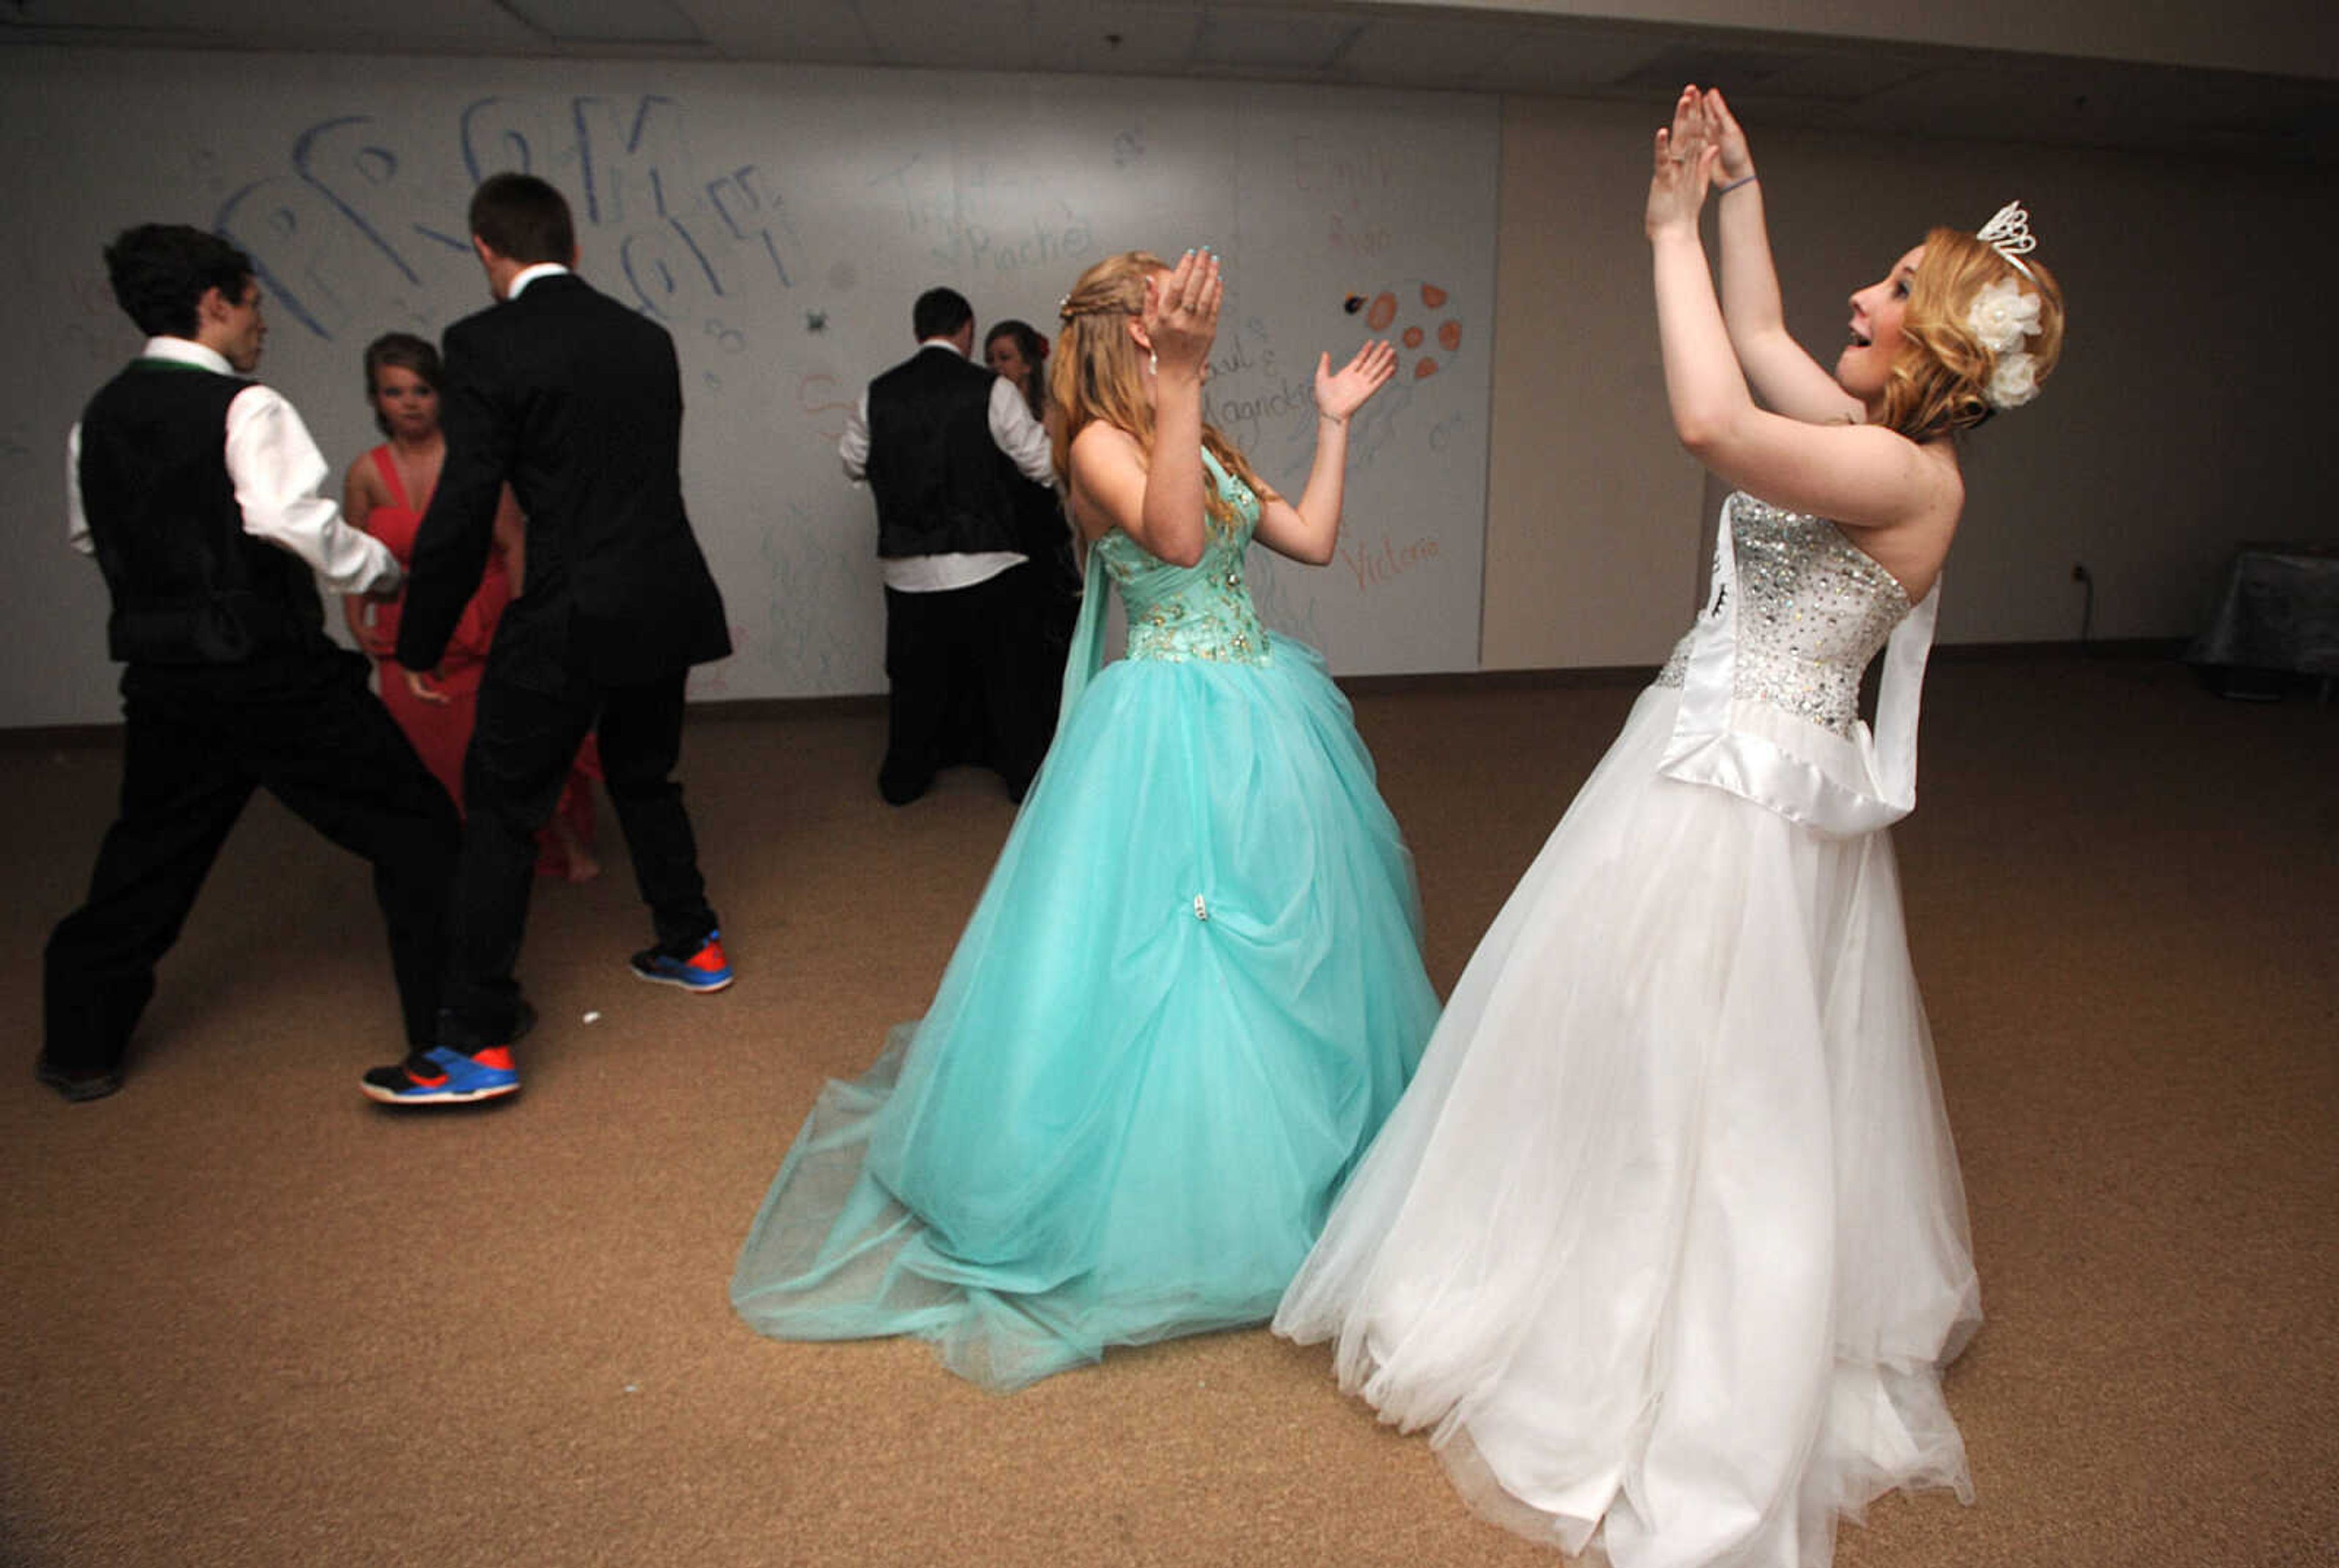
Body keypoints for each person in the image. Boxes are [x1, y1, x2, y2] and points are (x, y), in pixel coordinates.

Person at [1274, 88, 2067, 1568]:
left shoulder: (1905, 476)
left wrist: (1661, 227)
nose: (1860, 292)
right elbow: (1763, 343)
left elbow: (1712, 410)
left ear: (1939, 345)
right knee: (1631, 1037)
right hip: (1697, 755)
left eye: (1891, 286)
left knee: (1716, 1072)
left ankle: (1662, 1333)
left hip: (1747, 807)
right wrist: (1735, 192)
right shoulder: (1864, 422)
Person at [732, 249, 1439, 1390]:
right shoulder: (1099, 448)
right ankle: (1193, 1197)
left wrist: (1333, 425)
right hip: (1166, 717)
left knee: (1294, 933)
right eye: (1172, 303)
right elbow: (1170, 543)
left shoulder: (1188, 431)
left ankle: (1312, 1162)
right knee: (1173, 945)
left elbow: (1307, 540)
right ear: (1128, 330)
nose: (1197, 310)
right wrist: (1186, 384)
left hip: (1262, 702)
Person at [40, 225, 460, 1102]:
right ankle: (455, 1029)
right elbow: (289, 520)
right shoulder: (247, 407)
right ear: (215, 303)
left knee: (147, 856)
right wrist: (382, 570)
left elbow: (92, 538)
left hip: (164, 678)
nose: (261, 324)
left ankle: (81, 1045)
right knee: (417, 826)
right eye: (254, 304)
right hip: (272, 675)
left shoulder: (99, 418)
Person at [361, 174, 735, 1108]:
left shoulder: (484, 343)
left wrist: (419, 639)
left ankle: (475, 1043)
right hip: (665, 595)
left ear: (487, 250)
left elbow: (464, 504)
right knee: (645, 773)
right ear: (573, 245)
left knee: (501, 811)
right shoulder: (646, 339)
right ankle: (693, 941)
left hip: (571, 608)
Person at [342, 332, 602, 882]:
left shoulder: (475, 463)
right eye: (395, 391)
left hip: (483, 628)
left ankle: (566, 844)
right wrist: (353, 618)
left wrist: (521, 627)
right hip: (403, 632)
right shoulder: (365, 472)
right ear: (375, 400)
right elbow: (353, 553)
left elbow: (514, 547)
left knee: (506, 747)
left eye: (422, 389)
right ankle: (450, 859)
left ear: (441, 395)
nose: (410, 402)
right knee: (422, 753)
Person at [842, 288, 1058, 804]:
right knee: (1006, 678)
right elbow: (1042, 465)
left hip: (906, 569)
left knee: (914, 680)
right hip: (987, 561)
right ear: (966, 330)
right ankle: (1022, 778)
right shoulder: (991, 390)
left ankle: (904, 781)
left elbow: (852, 462)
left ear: (918, 331)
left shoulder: (877, 393)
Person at [984, 317, 1082, 687]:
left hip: (1045, 530)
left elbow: (1063, 472)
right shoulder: (982, 411)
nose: (997, 367)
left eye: (1005, 357)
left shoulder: (1051, 409)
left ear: (1027, 363)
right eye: (990, 359)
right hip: (1003, 534)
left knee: (1056, 628)